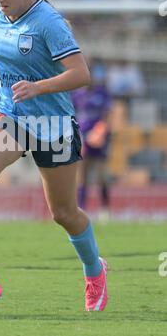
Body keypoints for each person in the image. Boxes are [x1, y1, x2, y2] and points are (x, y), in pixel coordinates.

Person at [0, 0, 108, 311]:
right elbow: (1, 48)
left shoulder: (50, 23)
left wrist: (38, 87)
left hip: (52, 124)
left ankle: (94, 270)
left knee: (63, 213)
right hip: (9, 112)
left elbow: (81, 74)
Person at [72, 60, 112, 218]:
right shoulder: (76, 95)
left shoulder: (102, 93)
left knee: (102, 174)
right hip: (82, 138)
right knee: (82, 174)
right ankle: (82, 209)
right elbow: (72, 117)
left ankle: (105, 209)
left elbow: (107, 116)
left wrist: (100, 131)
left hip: (99, 138)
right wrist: (79, 136)